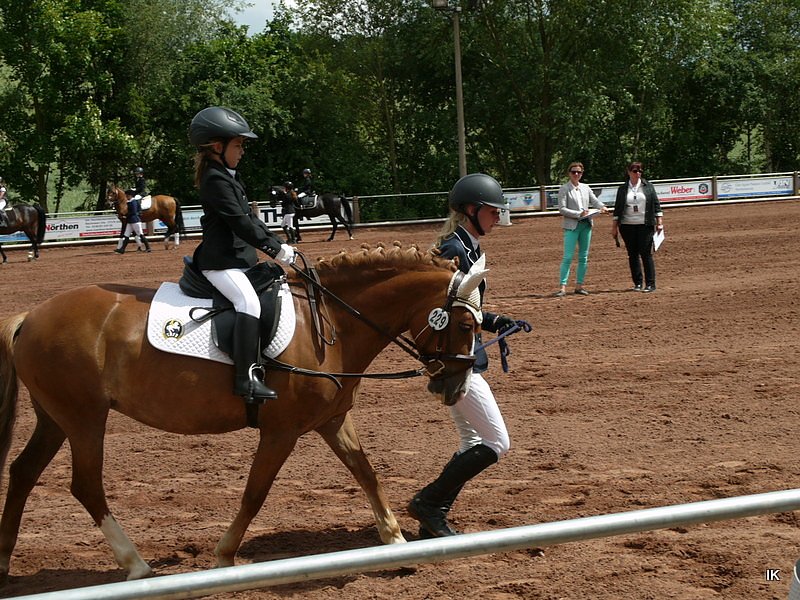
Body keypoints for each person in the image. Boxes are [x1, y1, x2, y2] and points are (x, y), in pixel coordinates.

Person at [407, 172, 518, 539]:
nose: (497, 218)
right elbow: (442, 312)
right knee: (497, 442)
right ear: (471, 210)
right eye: (491, 211)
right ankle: (428, 502)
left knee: (472, 442)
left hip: (463, 355)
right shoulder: (455, 251)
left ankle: (432, 514)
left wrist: (496, 320)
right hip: (458, 362)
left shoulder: (467, 245)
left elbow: (464, 309)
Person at [188, 106, 297, 402]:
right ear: (217, 146)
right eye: (238, 145)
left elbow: (251, 219)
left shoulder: (228, 176)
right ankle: (245, 379)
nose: (242, 151)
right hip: (220, 263)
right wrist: (275, 250)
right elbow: (239, 222)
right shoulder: (216, 179)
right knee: (247, 301)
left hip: (237, 259)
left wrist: (280, 243)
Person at [555, 162, 608, 296]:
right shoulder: (564, 188)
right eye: (574, 172)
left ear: (582, 174)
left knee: (583, 257)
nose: (576, 174)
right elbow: (562, 209)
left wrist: (602, 206)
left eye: (579, 172)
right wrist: (578, 214)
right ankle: (562, 287)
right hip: (572, 226)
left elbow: (594, 201)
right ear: (569, 173)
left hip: (586, 225)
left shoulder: (585, 187)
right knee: (567, 257)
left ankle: (579, 285)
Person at [611, 161, 663, 293]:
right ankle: (638, 283)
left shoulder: (648, 186)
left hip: (645, 225)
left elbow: (656, 205)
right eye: (635, 171)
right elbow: (617, 210)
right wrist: (614, 227)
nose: (638, 173)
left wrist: (660, 222)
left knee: (646, 254)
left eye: (640, 171)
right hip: (627, 226)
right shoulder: (622, 189)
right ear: (629, 172)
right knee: (632, 254)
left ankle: (650, 284)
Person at [114, 188, 151, 253]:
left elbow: (133, 212)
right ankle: (122, 249)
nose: (126, 197)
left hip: (135, 221)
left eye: (127, 195)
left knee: (140, 234)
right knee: (126, 235)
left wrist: (125, 215)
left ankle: (148, 247)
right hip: (130, 221)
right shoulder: (130, 202)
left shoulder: (133, 202)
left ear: (130, 195)